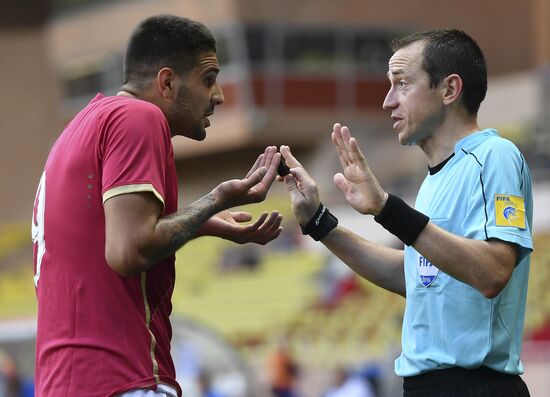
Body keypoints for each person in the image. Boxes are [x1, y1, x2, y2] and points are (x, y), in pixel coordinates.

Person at [31, 15, 283, 397]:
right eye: (208, 79)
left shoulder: (81, 126)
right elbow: (128, 251)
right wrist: (218, 198)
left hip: (68, 382)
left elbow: (107, 237)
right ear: (167, 82)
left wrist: (206, 221)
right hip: (121, 377)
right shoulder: (139, 117)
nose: (219, 95)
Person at [279, 29, 533, 396]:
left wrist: (386, 209)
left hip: (475, 386)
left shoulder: (495, 156)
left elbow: (492, 272)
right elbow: (414, 276)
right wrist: (320, 223)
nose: (387, 101)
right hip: (423, 386)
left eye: (401, 84)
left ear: (449, 90)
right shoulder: (432, 181)